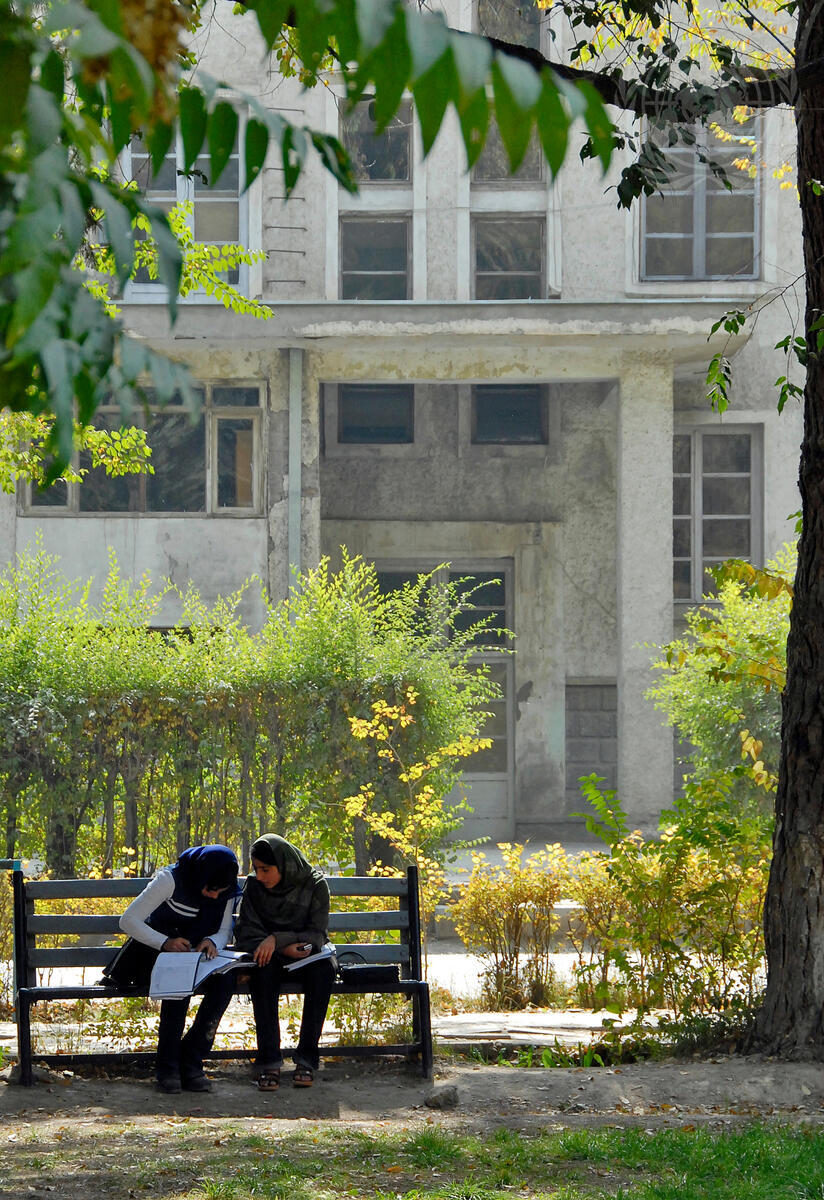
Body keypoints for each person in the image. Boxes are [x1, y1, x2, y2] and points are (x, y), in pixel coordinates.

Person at [106, 843, 240, 1094]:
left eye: (219, 891)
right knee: (178, 983)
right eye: (210, 889)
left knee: (226, 981)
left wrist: (212, 942)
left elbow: (223, 931)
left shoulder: (227, 891)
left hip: (195, 957)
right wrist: (165, 943)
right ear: (201, 875)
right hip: (154, 955)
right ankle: (167, 1067)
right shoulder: (170, 880)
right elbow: (128, 920)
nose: (213, 896)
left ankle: (192, 1059)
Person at [234, 834, 335, 1090]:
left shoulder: (314, 884)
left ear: (284, 864)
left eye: (266, 869)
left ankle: (307, 1059)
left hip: (304, 956)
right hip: (269, 957)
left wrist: (278, 939)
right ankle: (269, 1061)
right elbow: (245, 930)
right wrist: (273, 945)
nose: (260, 876)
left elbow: (317, 934)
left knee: (324, 972)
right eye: (256, 869)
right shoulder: (254, 888)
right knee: (262, 973)